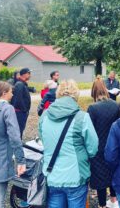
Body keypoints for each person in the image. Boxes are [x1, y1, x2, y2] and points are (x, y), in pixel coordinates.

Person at [39, 79, 99, 208]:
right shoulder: (82, 117)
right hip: (75, 176)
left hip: (52, 174)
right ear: (76, 95)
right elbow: (93, 148)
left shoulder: (44, 117)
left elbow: (45, 142)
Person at [0, 81, 26, 208]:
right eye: (11, 92)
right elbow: (15, 137)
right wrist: (21, 160)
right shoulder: (7, 109)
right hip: (0, 161)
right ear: (4, 93)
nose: (12, 94)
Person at [88, 76, 120, 208]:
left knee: (101, 177)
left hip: (98, 147)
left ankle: (102, 205)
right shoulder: (115, 105)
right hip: (113, 146)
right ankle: (114, 200)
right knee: (113, 172)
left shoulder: (92, 108)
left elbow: (89, 131)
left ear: (94, 91)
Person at [11, 67, 32, 138]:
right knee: (18, 131)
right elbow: (18, 99)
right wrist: (24, 110)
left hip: (22, 112)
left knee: (20, 130)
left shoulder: (23, 84)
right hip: (20, 113)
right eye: (29, 73)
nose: (30, 75)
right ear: (24, 74)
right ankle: (17, 147)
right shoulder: (19, 84)